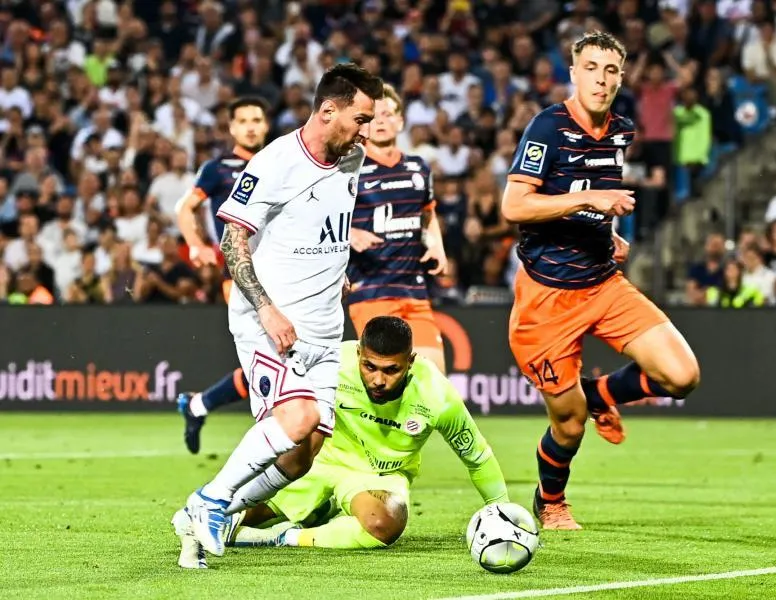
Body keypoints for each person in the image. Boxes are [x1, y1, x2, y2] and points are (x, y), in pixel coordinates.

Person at [181, 64, 383, 559]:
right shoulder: (273, 164)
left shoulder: (350, 157)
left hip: (323, 324)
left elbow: (324, 221)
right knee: (298, 416)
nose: (366, 131)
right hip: (271, 321)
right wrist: (267, 309)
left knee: (301, 456)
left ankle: (205, 514)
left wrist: (338, 270)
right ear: (327, 109)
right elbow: (233, 239)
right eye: (360, 118)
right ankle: (212, 498)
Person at [501, 31, 700, 530]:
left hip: (603, 284)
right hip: (546, 299)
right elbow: (515, 205)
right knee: (567, 428)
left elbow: (591, 192)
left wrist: (606, 233)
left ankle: (597, 395)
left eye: (611, 71)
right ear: (573, 72)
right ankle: (550, 503)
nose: (602, 79)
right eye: (591, 68)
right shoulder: (547, 127)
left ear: (621, 77)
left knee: (681, 376)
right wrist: (590, 203)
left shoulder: (621, 131)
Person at [172, 316, 508, 568]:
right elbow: (262, 377)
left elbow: (476, 456)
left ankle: (283, 537)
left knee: (384, 522)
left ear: (411, 362)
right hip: (319, 463)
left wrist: (501, 510)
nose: (378, 379)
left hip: (378, 476)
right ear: (359, 353)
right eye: (369, 366)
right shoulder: (334, 360)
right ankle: (220, 509)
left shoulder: (437, 394)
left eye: (391, 370)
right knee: (238, 513)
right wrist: (207, 402)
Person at [174, 97, 270, 454]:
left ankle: (197, 406)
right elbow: (186, 208)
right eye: (242, 120)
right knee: (272, 355)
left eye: (256, 119)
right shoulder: (218, 169)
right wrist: (197, 244)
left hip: (282, 273)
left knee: (270, 359)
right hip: (241, 277)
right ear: (231, 127)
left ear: (265, 124)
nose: (249, 126)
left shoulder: (279, 162)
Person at [347, 83, 449, 373]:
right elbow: (318, 217)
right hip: (371, 290)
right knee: (386, 378)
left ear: (400, 121)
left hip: (413, 289)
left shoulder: (419, 167)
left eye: (388, 114)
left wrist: (437, 247)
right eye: (374, 116)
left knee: (434, 380)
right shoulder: (348, 168)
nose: (381, 121)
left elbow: (428, 215)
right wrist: (349, 234)